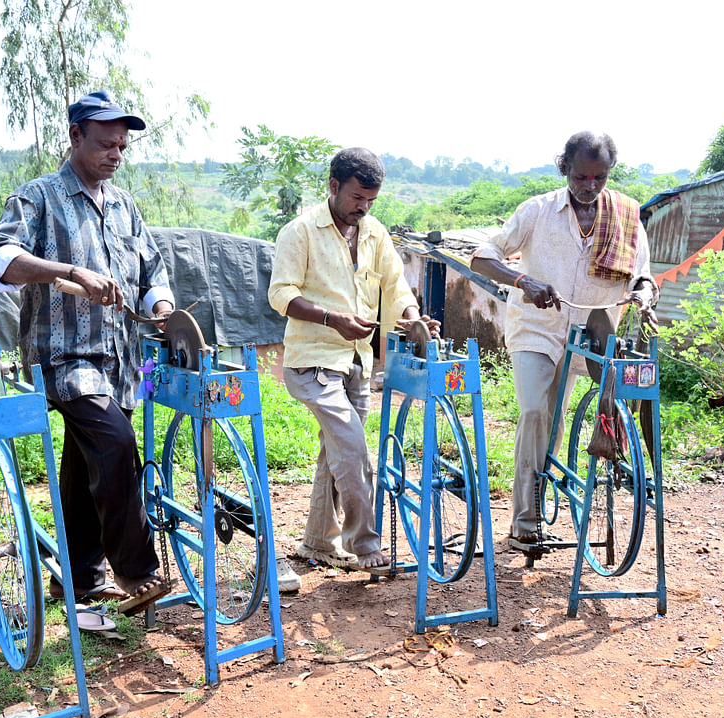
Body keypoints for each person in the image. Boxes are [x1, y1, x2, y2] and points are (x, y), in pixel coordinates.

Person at [0, 90, 173, 612]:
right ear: (74, 136)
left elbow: (152, 272)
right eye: (106, 144)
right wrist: (68, 271)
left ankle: (78, 579)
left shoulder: (124, 205)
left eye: (122, 146)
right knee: (114, 442)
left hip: (120, 360)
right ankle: (138, 570)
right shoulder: (39, 198)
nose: (116, 154)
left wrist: (159, 305)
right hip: (65, 356)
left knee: (83, 467)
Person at [467, 131, 658, 547]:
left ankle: (552, 497)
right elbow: (483, 255)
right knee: (535, 411)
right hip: (537, 328)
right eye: (582, 177)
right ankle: (524, 521)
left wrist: (644, 292)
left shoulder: (625, 215)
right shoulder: (538, 211)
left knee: (554, 426)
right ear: (564, 168)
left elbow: (644, 274)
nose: (590, 187)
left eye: (600, 178)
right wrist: (523, 279)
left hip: (592, 333)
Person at [269, 147, 439, 574]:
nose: (362, 208)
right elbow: (281, 294)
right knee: (352, 447)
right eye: (356, 198)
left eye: (371, 201)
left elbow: (396, 287)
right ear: (333, 186)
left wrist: (413, 319)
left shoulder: (375, 232)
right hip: (311, 362)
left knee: (336, 453)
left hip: (357, 361)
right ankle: (364, 546)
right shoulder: (300, 231)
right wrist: (332, 318)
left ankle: (316, 544)